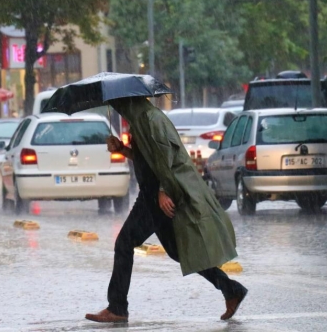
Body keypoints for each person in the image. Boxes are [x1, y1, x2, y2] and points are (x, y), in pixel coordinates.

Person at [85, 97, 247, 323]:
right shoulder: (141, 120)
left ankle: (117, 307)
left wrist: (164, 190)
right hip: (151, 194)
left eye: (119, 106)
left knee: (124, 243)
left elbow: (167, 158)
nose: (119, 111)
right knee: (179, 251)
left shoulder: (151, 120)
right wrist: (123, 149)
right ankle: (231, 289)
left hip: (156, 195)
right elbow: (147, 159)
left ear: (129, 103)